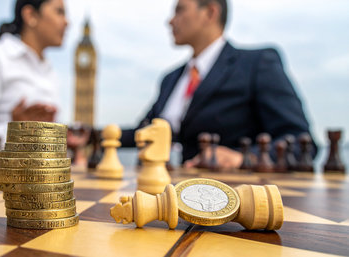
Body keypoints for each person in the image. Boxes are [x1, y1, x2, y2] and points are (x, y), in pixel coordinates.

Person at [121, 0, 316, 168]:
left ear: (210, 12)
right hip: (177, 194)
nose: (170, 21)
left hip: (237, 196)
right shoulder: (170, 78)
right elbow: (144, 132)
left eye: (179, 10)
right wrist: (99, 136)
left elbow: (301, 141)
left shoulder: (257, 64)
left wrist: (243, 157)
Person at [0, 0, 68, 161]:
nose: (66, 21)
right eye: (59, 12)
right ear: (30, 15)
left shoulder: (50, 71)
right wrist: (17, 132)